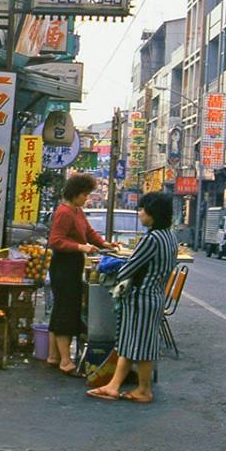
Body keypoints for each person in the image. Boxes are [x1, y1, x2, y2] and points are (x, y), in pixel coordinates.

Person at [86, 192, 177, 403]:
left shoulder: (152, 239)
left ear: (152, 214)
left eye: (142, 209)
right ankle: (113, 385)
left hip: (142, 298)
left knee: (142, 345)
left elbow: (129, 268)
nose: (140, 213)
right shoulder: (169, 236)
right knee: (128, 342)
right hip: (154, 296)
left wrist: (112, 264)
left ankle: (144, 390)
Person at [46, 173, 116, 375]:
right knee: (66, 311)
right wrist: (80, 247)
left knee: (62, 309)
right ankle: (65, 361)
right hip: (63, 266)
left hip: (73, 264)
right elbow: (56, 241)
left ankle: (53, 355)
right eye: (85, 194)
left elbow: (89, 232)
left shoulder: (77, 211)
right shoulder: (64, 212)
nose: (87, 198)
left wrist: (104, 243)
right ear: (75, 193)